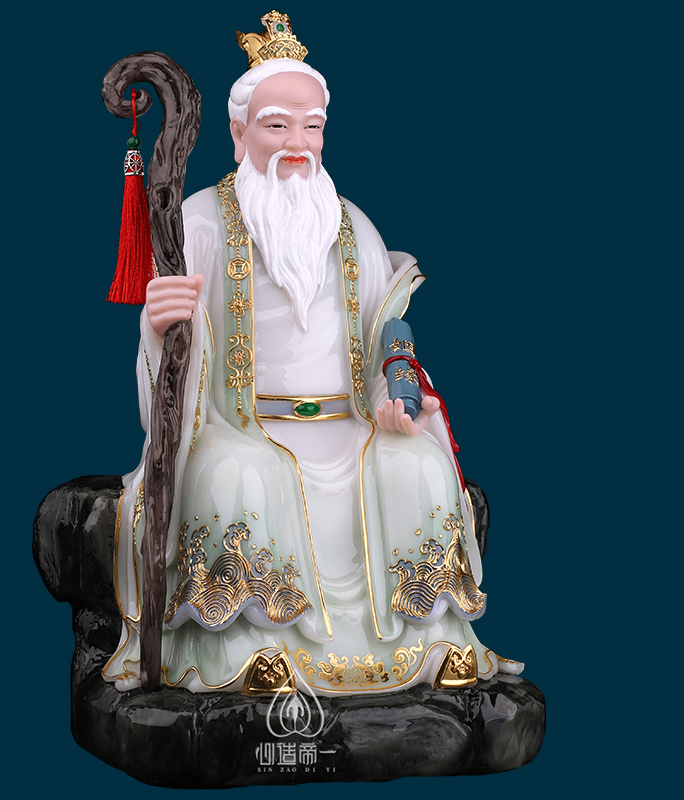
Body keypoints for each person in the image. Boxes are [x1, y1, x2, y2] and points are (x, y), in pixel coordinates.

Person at [103, 11, 523, 695]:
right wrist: (161, 323)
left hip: (347, 423)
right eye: (277, 126)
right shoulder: (200, 221)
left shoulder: (350, 225)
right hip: (242, 425)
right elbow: (173, 363)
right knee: (237, 480)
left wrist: (393, 397)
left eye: (312, 127)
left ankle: (432, 642)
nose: (297, 144)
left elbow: (387, 336)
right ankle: (248, 648)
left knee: (417, 466)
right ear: (239, 133)